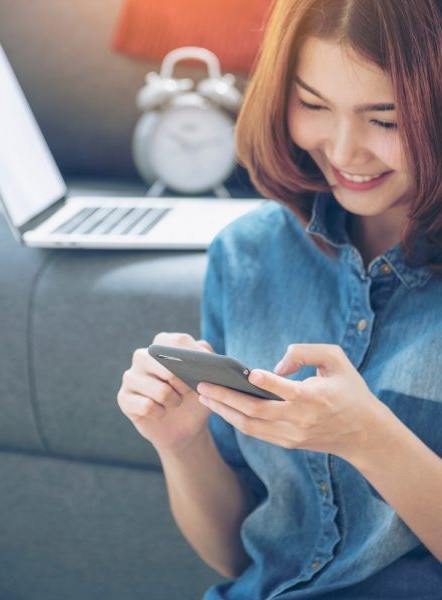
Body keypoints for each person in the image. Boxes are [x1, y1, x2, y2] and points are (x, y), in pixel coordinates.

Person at [117, 0, 442, 598]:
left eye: (387, 120)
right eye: (313, 105)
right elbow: (240, 559)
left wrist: (370, 439)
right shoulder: (247, 255)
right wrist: (183, 443)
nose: (344, 152)